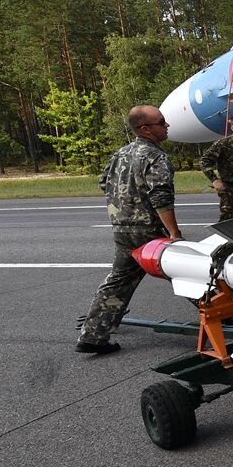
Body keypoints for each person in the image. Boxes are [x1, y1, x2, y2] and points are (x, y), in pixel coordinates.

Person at [76, 106, 181, 355]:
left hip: (123, 228)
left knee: (119, 280)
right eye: (161, 122)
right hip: (149, 230)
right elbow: (161, 197)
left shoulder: (120, 154)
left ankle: (93, 335)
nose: (166, 126)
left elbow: (104, 183)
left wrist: (123, 209)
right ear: (145, 129)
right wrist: (174, 235)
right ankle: (223, 316)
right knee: (183, 270)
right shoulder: (155, 157)